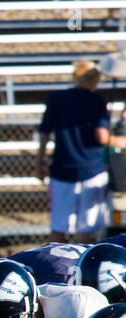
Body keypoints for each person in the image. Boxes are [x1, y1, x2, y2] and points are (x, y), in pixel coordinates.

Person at [37, 59, 126, 243]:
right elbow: (101, 137)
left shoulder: (57, 98)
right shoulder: (96, 101)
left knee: (58, 227)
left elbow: (45, 133)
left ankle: (57, 267)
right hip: (91, 169)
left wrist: (39, 162)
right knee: (86, 228)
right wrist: (120, 141)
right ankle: (80, 268)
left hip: (62, 169)